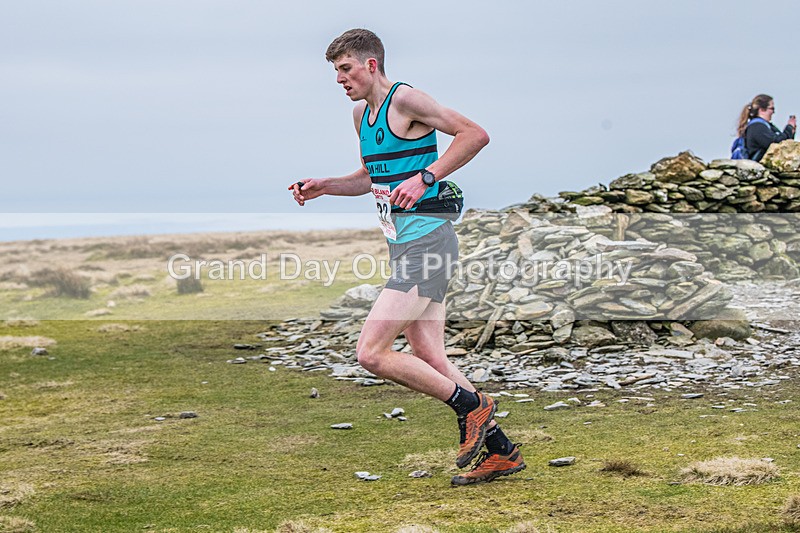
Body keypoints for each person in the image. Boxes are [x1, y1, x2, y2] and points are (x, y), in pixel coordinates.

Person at [288, 28, 525, 485]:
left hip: (428, 244)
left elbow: (475, 134)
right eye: (335, 71)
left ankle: (472, 407)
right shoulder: (362, 115)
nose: (339, 79)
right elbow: (369, 176)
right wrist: (326, 186)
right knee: (429, 354)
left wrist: (428, 176)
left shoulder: (406, 100)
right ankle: (502, 452)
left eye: (345, 69)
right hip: (404, 247)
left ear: (371, 65)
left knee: (371, 353)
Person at [736, 94, 796, 161]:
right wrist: (789, 128)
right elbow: (777, 144)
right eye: (772, 108)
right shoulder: (756, 127)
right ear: (761, 110)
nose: (773, 112)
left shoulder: (765, 126)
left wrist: (791, 131)